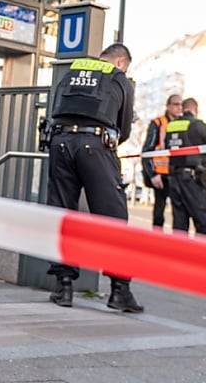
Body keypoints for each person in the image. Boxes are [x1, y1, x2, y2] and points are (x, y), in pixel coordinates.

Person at [45, 44, 142, 313]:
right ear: (121, 62)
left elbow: (56, 107)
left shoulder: (72, 70)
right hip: (95, 145)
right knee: (112, 217)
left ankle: (63, 286)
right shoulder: (118, 78)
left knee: (62, 213)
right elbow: (123, 127)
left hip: (60, 142)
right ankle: (120, 290)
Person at [165, 98, 206, 237]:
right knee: (203, 222)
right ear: (195, 109)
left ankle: (179, 251)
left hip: (174, 179)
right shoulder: (197, 125)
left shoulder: (171, 126)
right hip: (192, 180)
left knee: (179, 223)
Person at [140, 94, 181, 230]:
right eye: (175, 104)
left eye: (181, 104)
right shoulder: (158, 123)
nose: (179, 107)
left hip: (177, 173)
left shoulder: (182, 123)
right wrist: (152, 174)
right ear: (168, 106)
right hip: (161, 175)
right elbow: (146, 151)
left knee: (179, 213)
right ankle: (156, 237)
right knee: (159, 211)